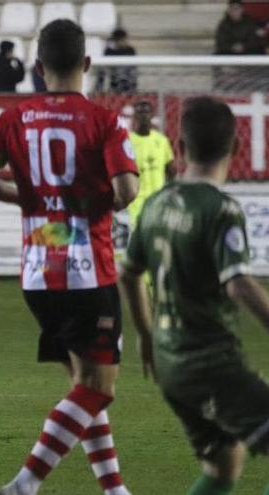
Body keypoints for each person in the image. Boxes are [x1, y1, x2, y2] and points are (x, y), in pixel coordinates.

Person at [0, 19, 140, 495]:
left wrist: (30, 199)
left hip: (39, 274)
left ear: (38, 68)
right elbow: (126, 191)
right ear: (86, 64)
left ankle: (114, 490)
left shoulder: (12, 118)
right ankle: (24, 484)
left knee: (84, 387)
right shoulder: (104, 120)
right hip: (88, 272)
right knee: (99, 388)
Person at [121, 97, 269, 495]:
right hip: (210, 365)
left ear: (181, 148)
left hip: (170, 364)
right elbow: (238, 283)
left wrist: (147, 335)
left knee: (224, 462)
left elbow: (129, 274)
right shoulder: (219, 208)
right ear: (236, 150)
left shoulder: (154, 204)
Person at [127, 99, 175, 227]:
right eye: (139, 112)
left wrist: (169, 194)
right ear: (134, 116)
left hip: (159, 201)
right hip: (137, 203)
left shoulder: (161, 141)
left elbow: (170, 170)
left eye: (146, 112)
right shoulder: (127, 142)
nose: (143, 115)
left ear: (152, 115)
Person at [94, 29, 137, 94]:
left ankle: (130, 90)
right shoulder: (109, 51)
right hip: (114, 77)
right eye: (122, 40)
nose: (125, 42)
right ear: (116, 41)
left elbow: (133, 66)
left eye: (125, 40)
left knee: (125, 73)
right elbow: (104, 64)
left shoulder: (130, 50)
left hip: (127, 77)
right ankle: (98, 90)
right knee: (101, 70)